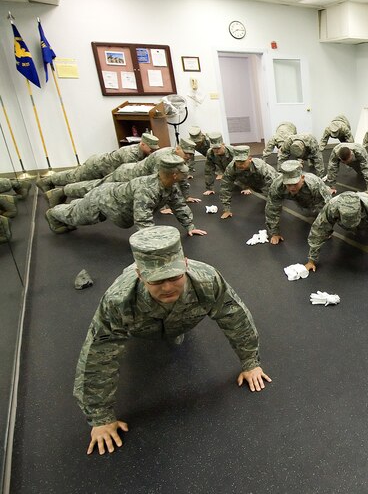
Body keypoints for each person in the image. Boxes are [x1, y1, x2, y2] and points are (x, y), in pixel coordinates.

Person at [74, 225, 269, 455]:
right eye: (156, 281)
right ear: (140, 274)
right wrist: (100, 417)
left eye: (174, 277)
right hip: (140, 329)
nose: (167, 288)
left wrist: (250, 362)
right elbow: (98, 354)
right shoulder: (119, 300)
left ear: (185, 265)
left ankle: (173, 328)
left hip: (182, 322)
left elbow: (236, 318)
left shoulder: (207, 281)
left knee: (178, 337)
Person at [45, 155, 207, 236]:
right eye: (182, 173)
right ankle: (52, 214)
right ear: (173, 175)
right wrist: (156, 244)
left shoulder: (170, 185)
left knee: (78, 208)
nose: (185, 175)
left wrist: (190, 226)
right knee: (75, 217)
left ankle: (69, 204)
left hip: (114, 201)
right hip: (103, 201)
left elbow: (178, 204)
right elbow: (143, 222)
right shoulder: (147, 189)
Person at [305, 191, 368, 272]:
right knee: (324, 229)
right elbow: (318, 231)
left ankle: (363, 195)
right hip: (342, 221)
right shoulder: (332, 207)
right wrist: (311, 261)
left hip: (365, 220)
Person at [37, 132, 158, 192]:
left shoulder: (142, 152)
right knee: (73, 177)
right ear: (142, 144)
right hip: (97, 166)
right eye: (151, 149)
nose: (153, 151)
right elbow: (127, 174)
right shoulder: (131, 154)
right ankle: (47, 181)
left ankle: (49, 181)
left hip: (105, 168)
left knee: (74, 175)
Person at [266, 160, 331, 244]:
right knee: (302, 204)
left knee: (320, 210)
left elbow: (328, 206)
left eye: (295, 184)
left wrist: (327, 229)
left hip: (314, 199)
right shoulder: (277, 186)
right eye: (289, 185)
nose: (292, 188)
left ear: (302, 178)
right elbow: (272, 209)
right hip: (299, 199)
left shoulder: (314, 183)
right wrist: (274, 233)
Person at [219, 145, 277, 219]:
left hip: (273, 181)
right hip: (254, 184)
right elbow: (225, 187)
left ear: (250, 159)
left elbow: (272, 185)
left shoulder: (260, 166)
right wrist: (226, 210)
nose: (240, 164)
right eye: (237, 161)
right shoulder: (232, 167)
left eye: (243, 161)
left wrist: (273, 207)